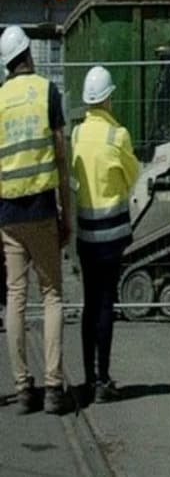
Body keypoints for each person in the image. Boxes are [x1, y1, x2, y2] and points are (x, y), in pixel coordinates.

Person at [0, 25, 71, 415]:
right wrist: (66, 213)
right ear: (28, 55)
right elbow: (60, 157)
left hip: (8, 212)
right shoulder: (48, 92)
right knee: (52, 294)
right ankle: (53, 386)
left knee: (15, 297)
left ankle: (23, 388)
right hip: (43, 206)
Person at [71, 66, 139, 402]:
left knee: (89, 303)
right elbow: (132, 176)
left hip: (85, 233)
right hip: (112, 236)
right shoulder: (119, 136)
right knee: (106, 304)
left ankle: (87, 377)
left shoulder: (77, 135)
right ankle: (103, 378)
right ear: (108, 98)